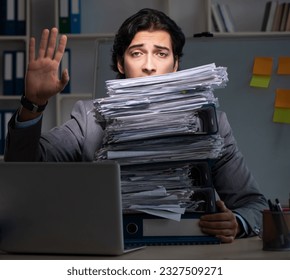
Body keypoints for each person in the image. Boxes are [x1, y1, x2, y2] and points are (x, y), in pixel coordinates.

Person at [4, 8, 268, 243]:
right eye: (137, 53)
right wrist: (33, 104)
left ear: (175, 65)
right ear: (121, 63)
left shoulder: (209, 123)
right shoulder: (90, 119)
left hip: (187, 252)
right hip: (112, 251)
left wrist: (237, 222)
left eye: (161, 54)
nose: (149, 66)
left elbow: (253, 204)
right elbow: (25, 168)